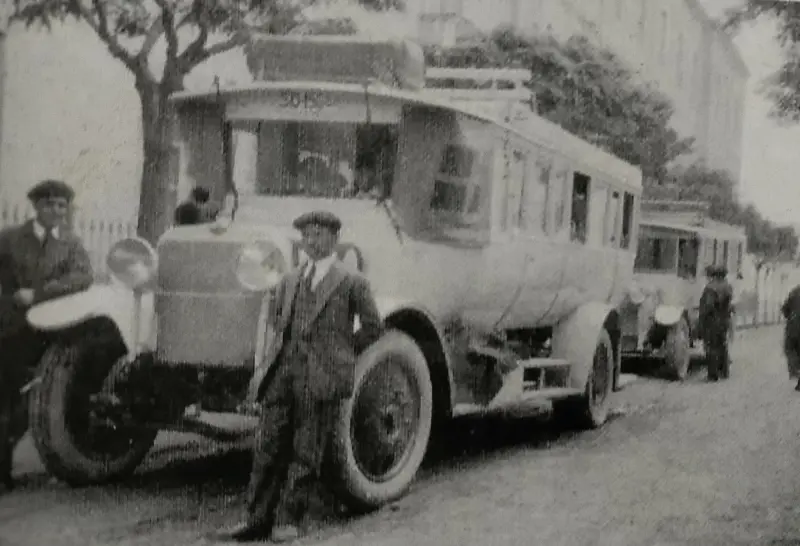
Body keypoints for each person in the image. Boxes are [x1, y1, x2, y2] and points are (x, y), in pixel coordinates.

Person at [215, 210, 382, 543]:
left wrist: (341, 354)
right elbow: (280, 324)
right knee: (267, 446)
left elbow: (373, 327)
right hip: (284, 374)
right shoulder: (290, 279)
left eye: (318, 234)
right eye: (306, 235)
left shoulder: (352, 281)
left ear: (334, 239)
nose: (311, 241)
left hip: (319, 379)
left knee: (307, 452)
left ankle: (287, 520)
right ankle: (255, 519)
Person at [0, 179, 93, 492]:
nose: (56, 211)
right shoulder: (10, 239)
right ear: (36, 206)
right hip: (10, 329)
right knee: (7, 397)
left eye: (62, 206)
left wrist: (39, 293)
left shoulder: (71, 243)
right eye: (50, 204)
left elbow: (83, 277)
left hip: (51, 333)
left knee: (34, 401)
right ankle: (3, 472)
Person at [698, 265, 734, 381]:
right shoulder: (728, 286)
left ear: (714, 275)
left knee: (711, 347)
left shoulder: (711, 288)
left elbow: (708, 306)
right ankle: (724, 371)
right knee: (722, 345)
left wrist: (702, 319)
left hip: (712, 321)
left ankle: (712, 375)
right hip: (724, 320)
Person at [781, 283, 800, 391]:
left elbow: (785, 309)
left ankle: (796, 370)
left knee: (790, 349)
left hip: (793, 327)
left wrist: (791, 317)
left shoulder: (795, 291)